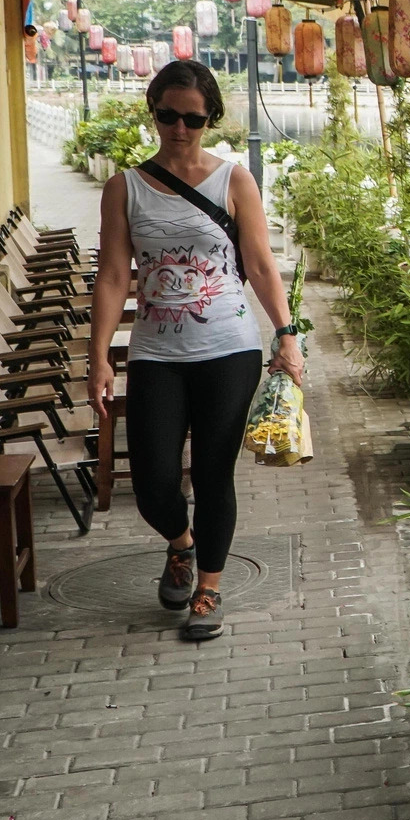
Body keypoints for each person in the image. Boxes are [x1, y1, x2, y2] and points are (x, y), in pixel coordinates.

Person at [86, 59, 303, 641]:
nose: (178, 128)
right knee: (153, 481)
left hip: (229, 348)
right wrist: (100, 356)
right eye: (167, 116)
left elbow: (259, 263)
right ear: (153, 112)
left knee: (212, 474)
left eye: (192, 118)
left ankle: (208, 587)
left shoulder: (233, 180)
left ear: (210, 119)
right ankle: (180, 544)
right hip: (156, 351)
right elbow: (112, 276)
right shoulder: (124, 187)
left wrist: (286, 333)